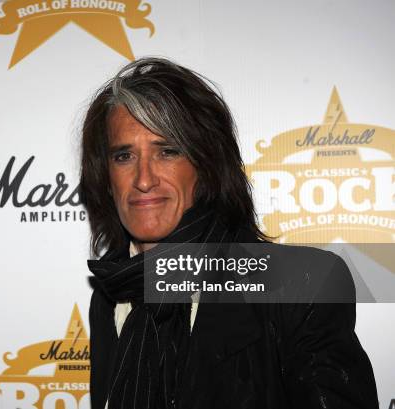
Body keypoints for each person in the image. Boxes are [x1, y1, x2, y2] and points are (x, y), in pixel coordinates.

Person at [79, 57, 378, 409]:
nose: (144, 179)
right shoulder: (111, 295)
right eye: (124, 156)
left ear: (206, 166)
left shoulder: (302, 286)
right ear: (106, 177)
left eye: (168, 151)